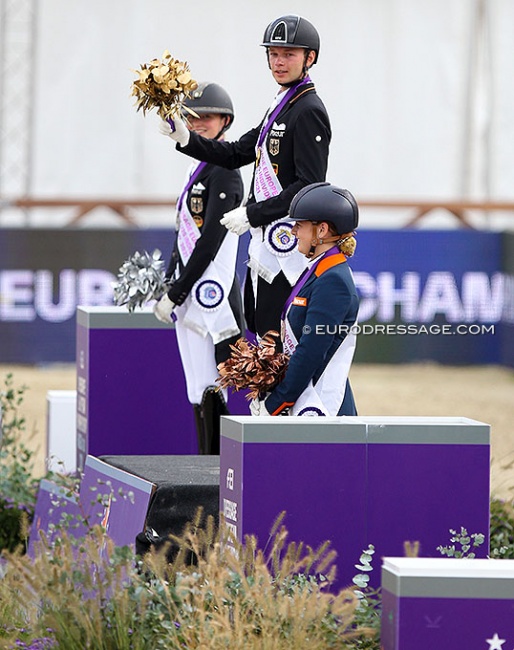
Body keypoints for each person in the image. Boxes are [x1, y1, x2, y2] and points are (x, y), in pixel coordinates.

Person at [159, 15, 331, 342]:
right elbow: (238, 152)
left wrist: (252, 213)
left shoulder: (308, 109)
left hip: (287, 243)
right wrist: (185, 139)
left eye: (289, 54)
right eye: (274, 53)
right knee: (259, 326)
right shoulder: (281, 104)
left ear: (310, 58)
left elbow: (309, 187)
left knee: (274, 337)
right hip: (264, 239)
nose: (279, 62)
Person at [154, 82, 245, 454]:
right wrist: (170, 281)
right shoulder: (201, 166)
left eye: (205, 117)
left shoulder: (224, 172)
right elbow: (183, 232)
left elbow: (209, 241)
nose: (197, 124)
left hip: (212, 296)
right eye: (191, 118)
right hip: (191, 292)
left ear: (224, 121)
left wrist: (176, 292)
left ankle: (217, 470)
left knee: (211, 385)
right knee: (196, 386)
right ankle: (203, 467)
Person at [250, 182, 360, 417]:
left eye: (299, 225)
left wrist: (276, 402)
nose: (293, 232)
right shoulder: (317, 270)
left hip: (321, 403)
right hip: (305, 395)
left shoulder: (333, 280)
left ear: (321, 231)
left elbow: (311, 350)